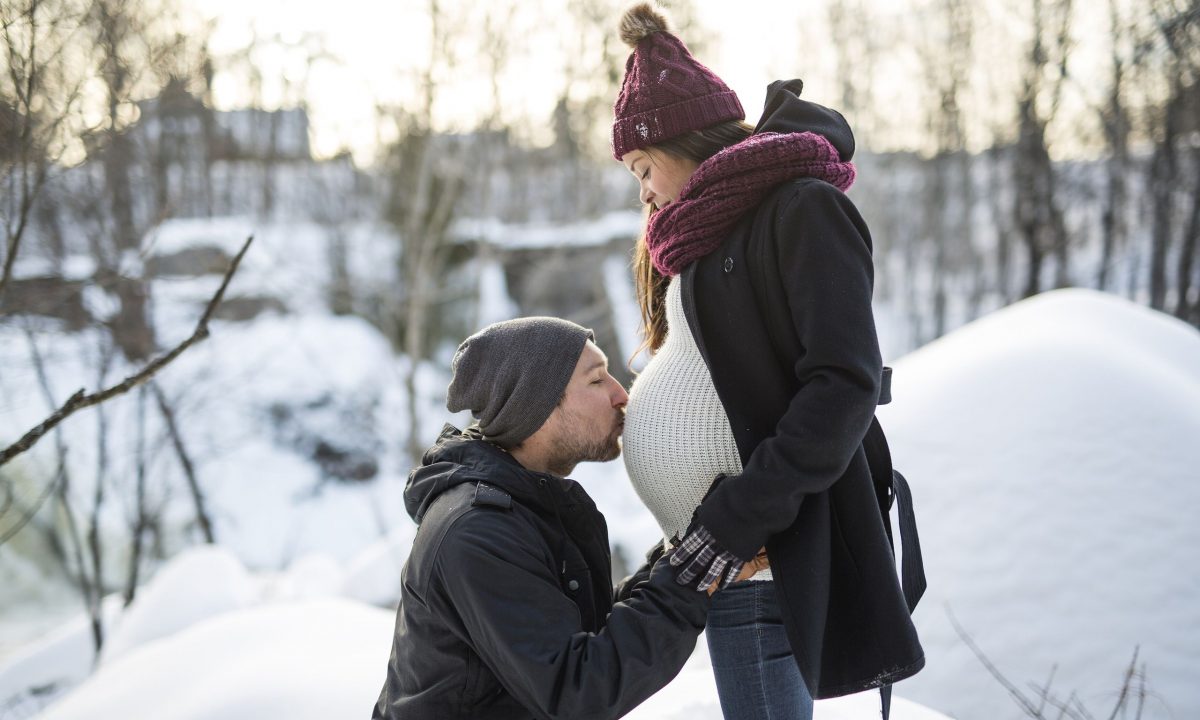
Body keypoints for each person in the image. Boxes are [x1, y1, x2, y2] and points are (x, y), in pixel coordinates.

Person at [611, 4, 926, 720]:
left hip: (763, 559)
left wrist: (735, 519)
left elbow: (842, 385)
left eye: (641, 167)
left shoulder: (802, 209)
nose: (643, 192)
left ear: (679, 141)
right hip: (728, 567)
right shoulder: (703, 239)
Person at [371, 316, 766, 720]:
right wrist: (695, 572)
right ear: (537, 406)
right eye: (596, 380)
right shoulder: (476, 531)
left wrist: (688, 560)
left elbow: (579, 634)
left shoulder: (526, 506)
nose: (620, 394)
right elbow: (578, 689)